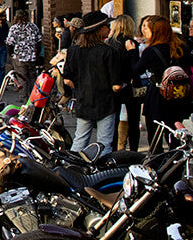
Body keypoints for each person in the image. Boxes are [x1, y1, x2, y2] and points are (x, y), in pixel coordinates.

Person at [62, 11, 123, 153]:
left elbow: (67, 79)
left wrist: (79, 87)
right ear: (98, 29)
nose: (109, 29)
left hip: (84, 99)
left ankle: (73, 169)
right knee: (104, 142)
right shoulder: (109, 52)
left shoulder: (74, 50)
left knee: (80, 140)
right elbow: (116, 85)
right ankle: (102, 173)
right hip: (106, 102)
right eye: (106, 26)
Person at [134, 15, 193, 152]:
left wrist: (132, 52)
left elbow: (137, 70)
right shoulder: (180, 48)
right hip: (177, 95)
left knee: (155, 134)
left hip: (157, 94)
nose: (144, 31)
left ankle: (157, 165)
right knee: (173, 131)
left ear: (155, 31)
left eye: (147, 28)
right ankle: (175, 164)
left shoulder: (151, 51)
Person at [107, 15, 141, 151]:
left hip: (113, 84)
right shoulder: (131, 43)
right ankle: (134, 150)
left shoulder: (109, 43)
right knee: (134, 121)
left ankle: (114, 150)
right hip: (130, 84)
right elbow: (135, 67)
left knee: (113, 121)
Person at [5, 11, 42, 99]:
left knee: (22, 77)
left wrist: (11, 54)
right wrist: (37, 53)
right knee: (32, 76)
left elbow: (10, 43)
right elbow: (39, 41)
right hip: (31, 55)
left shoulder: (14, 28)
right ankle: (34, 96)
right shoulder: (33, 27)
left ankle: (23, 97)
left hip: (19, 56)